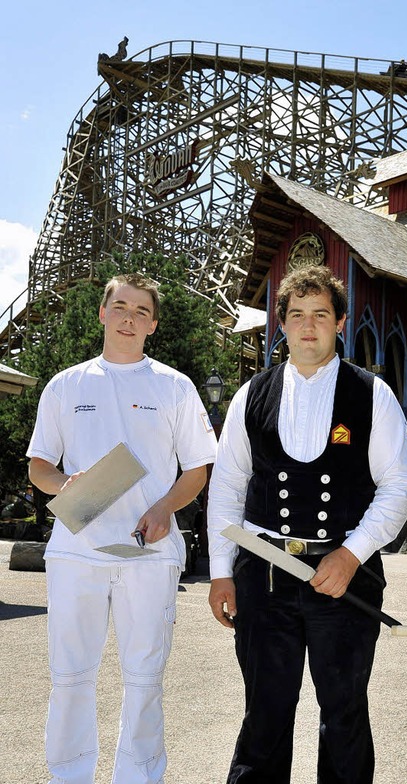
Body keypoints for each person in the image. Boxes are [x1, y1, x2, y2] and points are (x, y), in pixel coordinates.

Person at [207, 265, 407, 784]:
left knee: (343, 718)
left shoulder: (373, 395)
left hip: (344, 576)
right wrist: (220, 572)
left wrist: (351, 555)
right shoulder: (250, 395)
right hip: (264, 574)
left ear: (340, 322)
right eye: (296, 315)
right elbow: (228, 488)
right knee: (265, 716)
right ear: (282, 324)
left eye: (320, 314)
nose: (307, 326)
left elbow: (398, 485)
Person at [27, 272, 217, 784]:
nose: (129, 319)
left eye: (140, 312)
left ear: (153, 325)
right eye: (120, 307)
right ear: (102, 313)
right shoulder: (65, 385)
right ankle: (68, 776)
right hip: (76, 552)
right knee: (70, 677)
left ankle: (139, 777)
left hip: (147, 553)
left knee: (144, 678)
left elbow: (197, 470)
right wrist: (66, 483)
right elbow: (39, 467)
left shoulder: (175, 387)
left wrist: (163, 510)